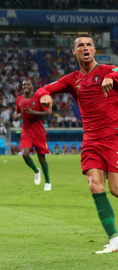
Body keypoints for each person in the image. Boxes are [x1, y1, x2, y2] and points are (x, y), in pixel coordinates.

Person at [40, 34, 118, 253]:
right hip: (91, 140)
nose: (85, 48)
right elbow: (43, 89)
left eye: (89, 45)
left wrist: (112, 76)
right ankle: (114, 240)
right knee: (95, 185)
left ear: (94, 50)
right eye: (80, 45)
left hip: (113, 136)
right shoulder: (72, 79)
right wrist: (45, 94)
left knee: (116, 188)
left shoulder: (107, 70)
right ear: (74, 52)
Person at [15, 79, 51, 191]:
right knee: (25, 154)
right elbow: (18, 112)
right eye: (23, 84)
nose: (25, 86)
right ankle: (36, 171)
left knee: (42, 158)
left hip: (38, 132)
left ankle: (48, 182)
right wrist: (17, 116)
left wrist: (33, 112)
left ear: (32, 87)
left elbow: (47, 113)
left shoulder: (38, 98)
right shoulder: (18, 99)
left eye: (27, 84)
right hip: (26, 131)